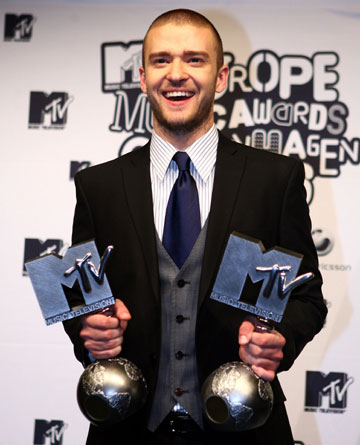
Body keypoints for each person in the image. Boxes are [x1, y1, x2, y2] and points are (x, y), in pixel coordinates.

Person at [63, 8, 327, 445]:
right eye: (162, 60)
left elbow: (307, 295)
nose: (177, 74)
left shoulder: (275, 178)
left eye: (195, 60)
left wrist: (281, 337)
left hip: (246, 427)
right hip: (127, 428)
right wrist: (90, 334)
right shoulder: (99, 185)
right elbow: (81, 299)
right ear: (143, 76)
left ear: (221, 77)